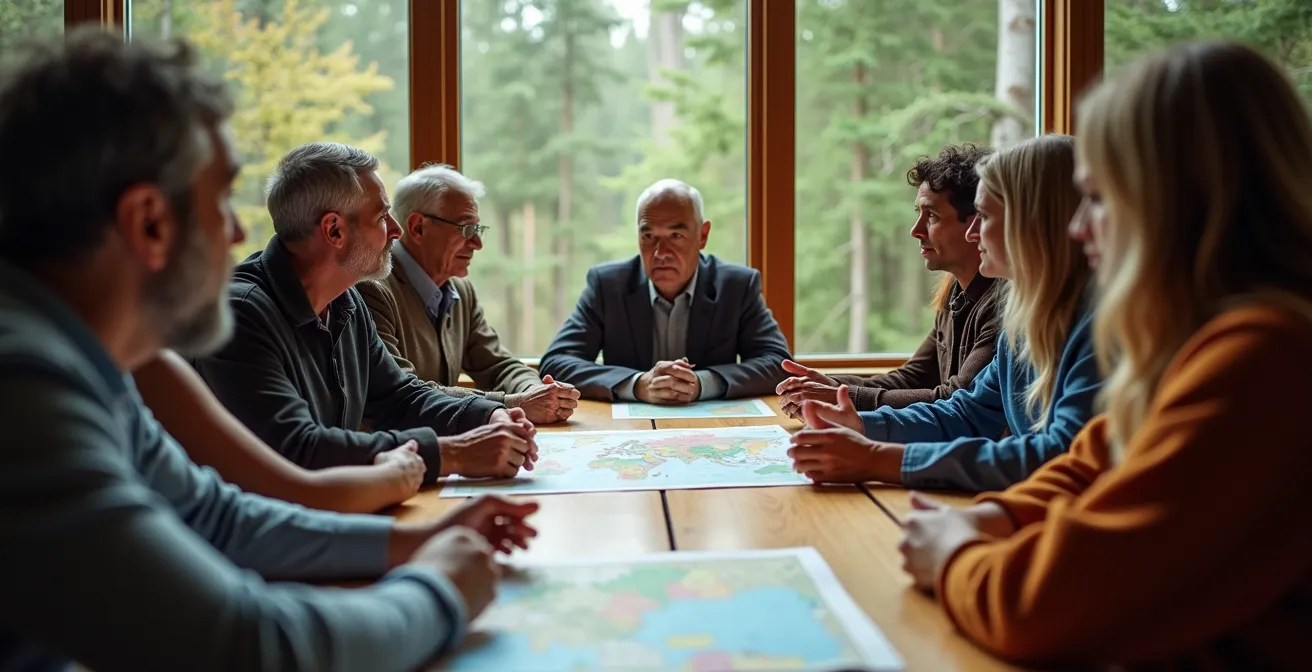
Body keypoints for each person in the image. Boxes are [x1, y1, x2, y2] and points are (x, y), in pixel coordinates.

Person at [0, 28, 537, 671]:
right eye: (221, 199)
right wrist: (440, 593)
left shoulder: (86, 360)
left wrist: (415, 540)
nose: (234, 232)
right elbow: (242, 644)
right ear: (148, 222)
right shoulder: (22, 391)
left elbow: (219, 518)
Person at [899, 41, 1312, 668]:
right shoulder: (1190, 341)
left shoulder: (1264, 359)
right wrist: (994, 517)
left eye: (1097, 198)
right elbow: (1097, 457)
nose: (1076, 227)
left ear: (1175, 201)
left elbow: (1038, 610)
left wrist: (954, 554)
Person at [192, 142, 538, 482]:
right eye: (382, 216)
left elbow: (400, 398)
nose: (397, 230)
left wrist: (490, 415)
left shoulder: (345, 302)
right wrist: (453, 454)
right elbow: (298, 449)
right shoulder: (240, 316)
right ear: (334, 230)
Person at [789, 135, 1100, 492]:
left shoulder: (1099, 325)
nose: (972, 234)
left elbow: (1060, 454)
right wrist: (862, 426)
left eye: (982, 217)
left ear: (1032, 222)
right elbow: (966, 413)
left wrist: (877, 457)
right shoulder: (1025, 314)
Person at [777, 144, 1003, 418]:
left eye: (931, 215)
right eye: (918, 214)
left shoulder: (1003, 305)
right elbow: (913, 377)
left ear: (975, 223)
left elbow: (955, 399)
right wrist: (830, 385)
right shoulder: (955, 292)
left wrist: (842, 396)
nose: (915, 230)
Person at [357, 164, 581, 424]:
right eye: (466, 229)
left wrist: (535, 390)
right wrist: (511, 404)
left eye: (478, 230)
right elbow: (406, 393)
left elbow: (498, 365)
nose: (477, 243)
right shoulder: (371, 290)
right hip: (393, 454)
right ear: (418, 228)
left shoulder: (460, 290)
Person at [540, 178, 792, 403]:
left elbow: (778, 363)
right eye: (649, 236)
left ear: (703, 235)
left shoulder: (736, 286)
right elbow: (556, 363)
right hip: (629, 433)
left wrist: (702, 383)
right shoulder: (608, 285)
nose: (660, 253)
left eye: (676, 236)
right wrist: (638, 384)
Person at [134, 349, 425, 513]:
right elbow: (295, 475)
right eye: (222, 235)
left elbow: (224, 516)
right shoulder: (242, 308)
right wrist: (394, 477)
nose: (238, 239)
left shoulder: (151, 366)